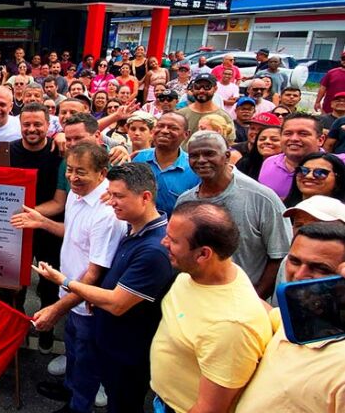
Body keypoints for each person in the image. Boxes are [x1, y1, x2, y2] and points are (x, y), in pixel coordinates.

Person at [33, 163, 174, 413]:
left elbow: (118, 302)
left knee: (123, 406)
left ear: (145, 197)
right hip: (112, 338)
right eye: (110, 195)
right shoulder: (135, 228)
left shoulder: (153, 249)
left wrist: (65, 281)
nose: (111, 203)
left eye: (118, 196)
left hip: (128, 351)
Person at [22, 143, 127, 413]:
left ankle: (79, 408)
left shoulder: (106, 214)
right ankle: (69, 388)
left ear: (102, 173)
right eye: (69, 170)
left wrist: (57, 309)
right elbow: (72, 233)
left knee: (88, 359)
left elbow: (94, 274)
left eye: (81, 172)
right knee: (74, 350)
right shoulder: (76, 194)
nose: (73, 178)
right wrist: (43, 222)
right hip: (68, 289)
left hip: (86, 301)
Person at [150, 201, 272, 413]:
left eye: (173, 240)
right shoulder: (201, 273)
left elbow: (210, 411)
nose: (163, 242)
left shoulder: (231, 326)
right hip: (165, 403)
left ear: (204, 254)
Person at [234, 221, 345, 413]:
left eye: (320, 268)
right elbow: (265, 311)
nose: (300, 274)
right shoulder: (291, 320)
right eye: (294, 261)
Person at [178, 131, 291, 298]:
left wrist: (254, 300)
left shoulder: (261, 198)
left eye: (209, 154)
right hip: (199, 298)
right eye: (194, 155)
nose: (201, 160)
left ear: (227, 156)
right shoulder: (185, 202)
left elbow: (280, 256)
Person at [7, 103, 64, 351]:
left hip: (48, 227)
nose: (32, 129)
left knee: (49, 283)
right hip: (14, 226)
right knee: (13, 282)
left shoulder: (57, 151)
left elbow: (59, 201)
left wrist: (30, 214)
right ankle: (17, 328)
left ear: (48, 125)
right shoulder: (8, 151)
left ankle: (46, 327)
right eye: (26, 124)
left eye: (37, 124)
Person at [132, 113, 199, 217]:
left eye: (173, 128)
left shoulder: (194, 168)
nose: (164, 131)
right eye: (160, 126)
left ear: (186, 134)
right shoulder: (138, 159)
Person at [260, 113, 333, 199]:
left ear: (320, 140)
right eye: (288, 133)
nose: (294, 138)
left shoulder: (335, 167)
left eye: (303, 134)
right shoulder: (269, 162)